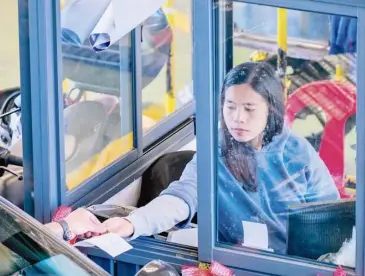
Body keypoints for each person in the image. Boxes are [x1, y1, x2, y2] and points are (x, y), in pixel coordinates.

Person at [103, 61, 340, 253]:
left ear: (271, 109)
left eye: (249, 109)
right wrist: (133, 223)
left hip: (290, 271)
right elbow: (183, 196)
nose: (238, 118)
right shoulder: (215, 148)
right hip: (227, 265)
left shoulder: (298, 153)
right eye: (230, 106)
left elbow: (329, 221)